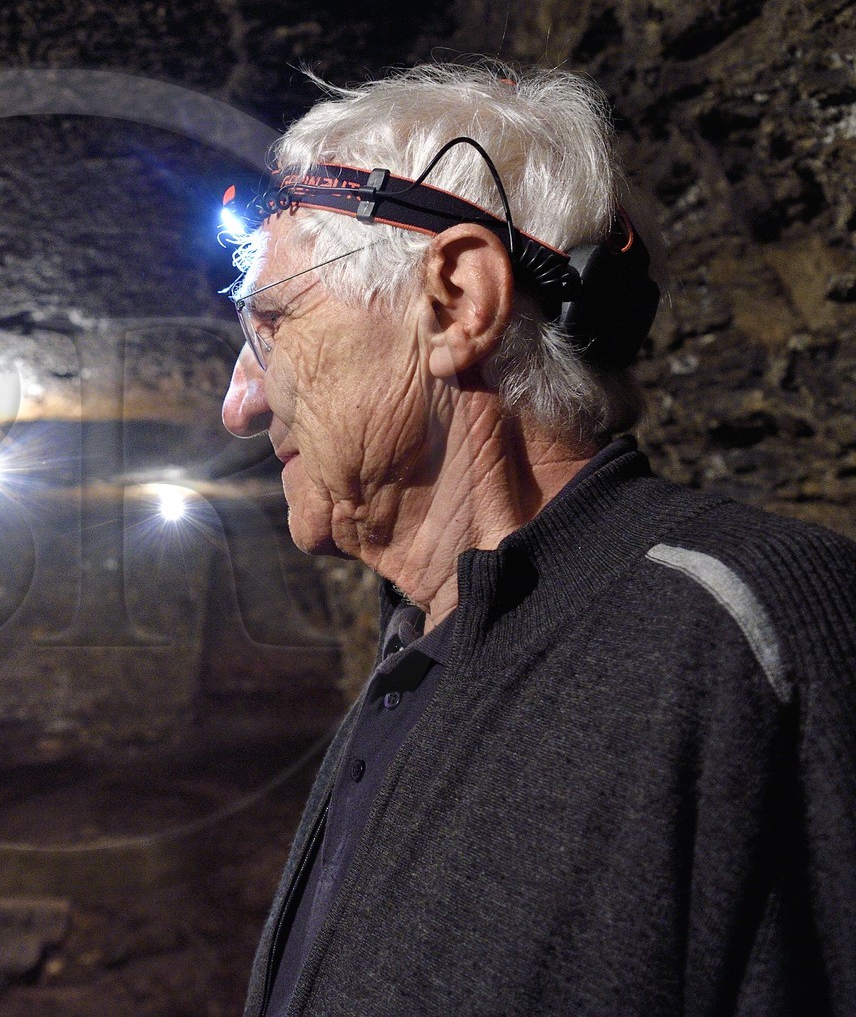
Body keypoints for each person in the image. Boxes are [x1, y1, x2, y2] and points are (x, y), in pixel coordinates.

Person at [218, 62, 856, 1016]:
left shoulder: (751, 636)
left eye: (271, 321)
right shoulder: (424, 653)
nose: (239, 403)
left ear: (455, 301)